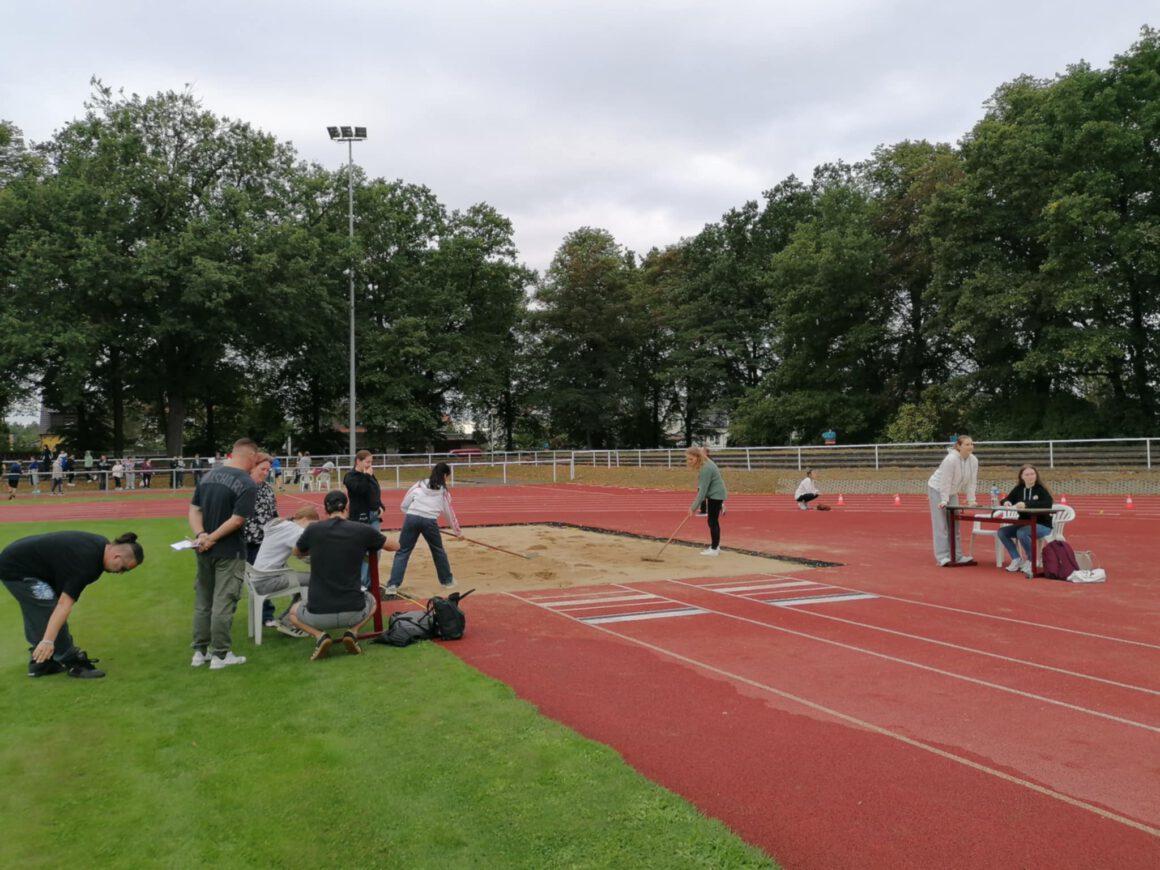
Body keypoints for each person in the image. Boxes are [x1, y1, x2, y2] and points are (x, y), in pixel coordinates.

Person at [1, 530, 144, 678]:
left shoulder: (101, 545)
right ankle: (73, 662)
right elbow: (63, 605)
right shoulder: (88, 564)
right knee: (49, 610)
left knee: (40, 609)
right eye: (123, 568)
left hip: (24, 563)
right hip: (16, 569)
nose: (120, 573)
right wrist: (48, 641)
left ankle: (42, 663)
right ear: (116, 556)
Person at [288, 490, 399, 659]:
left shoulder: (314, 530)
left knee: (293, 613)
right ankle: (352, 631)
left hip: (318, 613)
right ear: (347, 507)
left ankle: (320, 635)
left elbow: (296, 552)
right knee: (373, 601)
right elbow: (395, 546)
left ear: (325, 509)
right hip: (353, 611)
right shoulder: (361, 529)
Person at [188, 437, 259, 670]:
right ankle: (220, 654)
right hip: (229, 551)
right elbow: (237, 520)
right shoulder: (247, 483)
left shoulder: (208, 476)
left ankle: (200, 652)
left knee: (203, 602)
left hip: (203, 550)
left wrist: (201, 535)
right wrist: (211, 538)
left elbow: (194, 510)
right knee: (223, 603)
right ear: (251, 456)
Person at [384, 462, 462, 597]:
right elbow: (449, 513)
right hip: (429, 521)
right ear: (445, 476)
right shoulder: (443, 492)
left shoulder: (419, 484)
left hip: (411, 518)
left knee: (402, 551)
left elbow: (404, 504)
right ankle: (447, 581)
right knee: (438, 551)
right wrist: (458, 532)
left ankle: (392, 585)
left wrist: (414, 515)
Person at [249, 505, 320, 638]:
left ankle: (286, 619)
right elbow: (306, 552)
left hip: (258, 580)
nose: (310, 530)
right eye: (312, 525)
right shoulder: (294, 529)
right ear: (305, 519)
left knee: (304, 582)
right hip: (267, 581)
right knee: (316, 581)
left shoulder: (283, 526)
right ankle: (289, 622)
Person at [242, 453, 281, 629]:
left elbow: (274, 514)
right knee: (247, 582)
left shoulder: (268, 489)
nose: (266, 473)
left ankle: (266, 615)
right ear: (252, 467)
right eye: (262, 469)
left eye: (268, 470)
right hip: (244, 542)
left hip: (265, 543)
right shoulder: (241, 487)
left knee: (263, 580)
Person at [927, 434, 978, 566]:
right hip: (938, 489)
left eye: (971, 444)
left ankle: (957, 556)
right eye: (967, 444)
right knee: (941, 525)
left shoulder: (973, 460)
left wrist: (971, 500)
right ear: (959, 446)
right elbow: (945, 481)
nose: (970, 447)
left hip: (953, 492)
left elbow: (972, 482)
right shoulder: (950, 460)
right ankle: (942, 557)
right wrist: (944, 500)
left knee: (954, 524)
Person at [996, 465, 1055, 578]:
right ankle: (1016, 559)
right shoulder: (1019, 489)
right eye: (1027, 474)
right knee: (1002, 532)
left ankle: (1031, 560)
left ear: (1036, 475)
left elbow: (1047, 504)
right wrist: (1006, 502)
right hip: (1023, 524)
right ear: (1022, 477)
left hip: (1043, 525)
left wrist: (1026, 504)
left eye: (1032, 474)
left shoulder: (1041, 489)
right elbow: (1006, 499)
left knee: (1022, 532)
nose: (1030, 476)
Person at [344, 449, 384, 589]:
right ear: (358, 461)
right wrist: (366, 476)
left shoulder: (370, 475)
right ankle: (361, 583)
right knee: (363, 551)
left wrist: (381, 506)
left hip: (374, 517)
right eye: (367, 462)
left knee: (376, 550)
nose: (370, 465)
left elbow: (375, 491)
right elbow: (359, 489)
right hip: (360, 517)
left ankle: (370, 582)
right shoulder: (350, 476)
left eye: (371, 462)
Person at [687, 446, 727, 556]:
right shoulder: (704, 462)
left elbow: (702, 491)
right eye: (688, 459)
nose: (689, 461)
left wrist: (693, 508)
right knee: (713, 521)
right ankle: (716, 546)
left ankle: (714, 549)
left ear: (697, 457)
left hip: (716, 495)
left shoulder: (706, 468)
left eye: (691, 459)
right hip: (715, 494)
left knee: (712, 521)